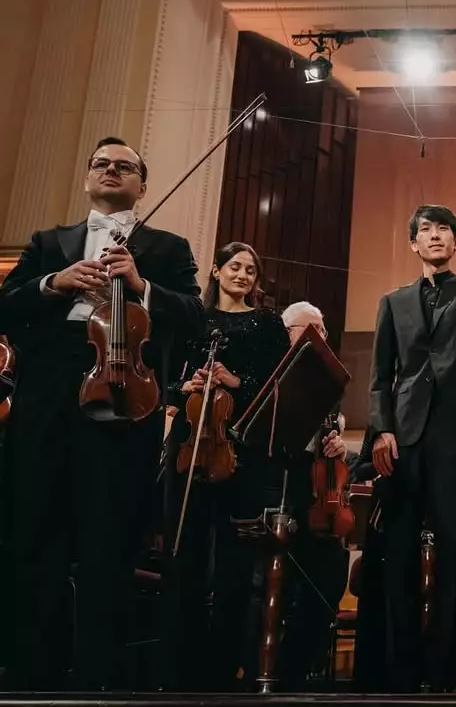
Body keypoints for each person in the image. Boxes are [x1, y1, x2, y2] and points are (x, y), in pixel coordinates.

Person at [0, 137, 203, 690]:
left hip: (123, 395)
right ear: (88, 176)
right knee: (35, 530)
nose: (111, 170)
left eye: (125, 166)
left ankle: (98, 677)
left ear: (143, 185)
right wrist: (55, 282)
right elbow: (6, 307)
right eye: (101, 163)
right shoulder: (49, 243)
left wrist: (142, 286)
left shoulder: (168, 247)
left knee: (109, 538)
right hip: (48, 395)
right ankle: (31, 672)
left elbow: (194, 316)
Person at [368, 202, 456, 692]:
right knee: (399, 555)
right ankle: (402, 674)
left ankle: (444, 675)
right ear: (414, 243)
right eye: (426, 230)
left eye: (444, 229)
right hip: (404, 436)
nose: (435, 236)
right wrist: (382, 429)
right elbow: (380, 375)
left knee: (453, 551)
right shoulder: (393, 302)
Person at [160, 241, 290, 691]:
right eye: (235, 267)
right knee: (187, 556)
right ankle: (182, 663)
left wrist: (235, 380)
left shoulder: (268, 324)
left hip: (240, 451)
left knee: (235, 564)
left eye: (251, 270)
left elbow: (278, 387)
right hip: (191, 445)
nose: (242, 275)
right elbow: (168, 381)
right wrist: (186, 386)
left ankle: (222, 667)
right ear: (216, 271)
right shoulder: (193, 318)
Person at [275, 300, 366, 689]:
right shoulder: (275, 375)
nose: (321, 336)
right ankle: (273, 676)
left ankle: (294, 676)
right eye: (312, 328)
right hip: (284, 496)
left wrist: (339, 446)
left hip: (322, 501)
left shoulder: (329, 382)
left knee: (328, 586)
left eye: (324, 330)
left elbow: (331, 437)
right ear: (288, 334)